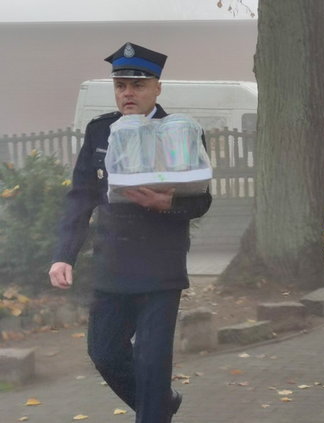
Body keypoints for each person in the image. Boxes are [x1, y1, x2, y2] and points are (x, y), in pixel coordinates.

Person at [48, 43, 211, 423]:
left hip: (160, 269)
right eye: (121, 85)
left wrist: (166, 204)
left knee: (152, 366)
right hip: (113, 264)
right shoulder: (100, 130)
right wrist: (63, 254)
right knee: (104, 353)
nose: (127, 93)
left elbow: (202, 202)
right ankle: (160, 405)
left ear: (157, 88)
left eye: (137, 85)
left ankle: (155, 408)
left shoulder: (181, 132)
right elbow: (80, 197)